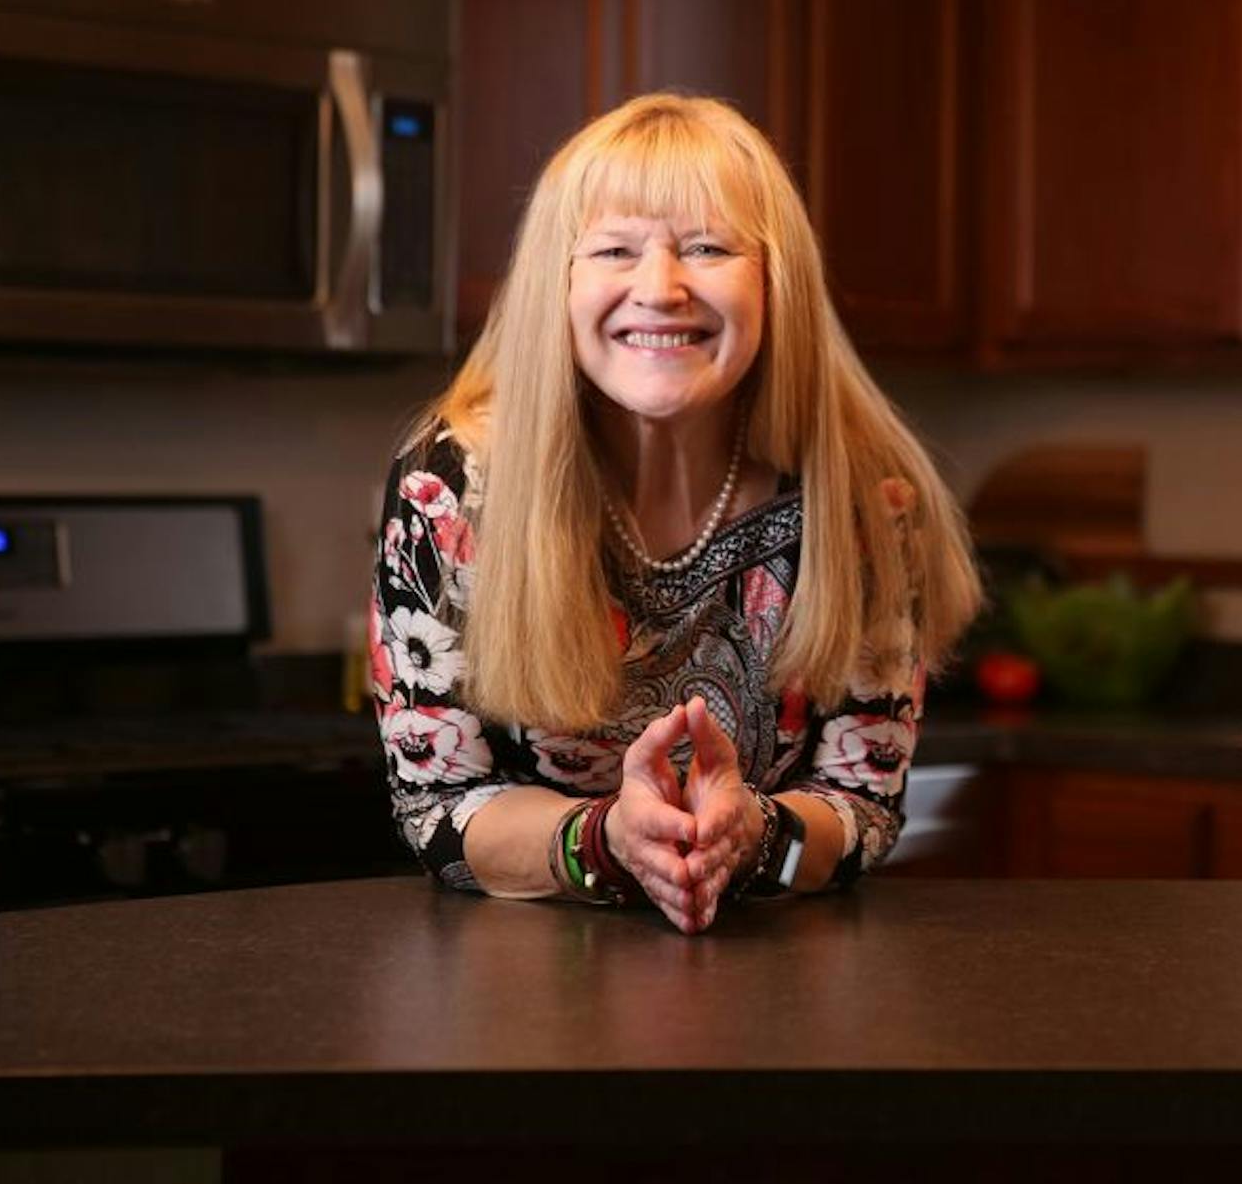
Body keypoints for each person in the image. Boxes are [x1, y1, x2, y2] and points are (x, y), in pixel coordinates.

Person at [367, 93, 980, 933]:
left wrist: (759, 837)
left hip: (780, 989)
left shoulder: (867, 499)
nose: (660, 289)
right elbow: (439, 810)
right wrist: (608, 844)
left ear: (776, 282)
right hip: (523, 998)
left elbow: (861, 814)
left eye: (708, 247)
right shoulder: (454, 484)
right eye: (615, 249)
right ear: (561, 282)